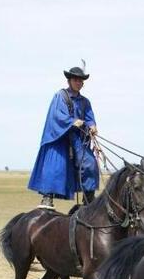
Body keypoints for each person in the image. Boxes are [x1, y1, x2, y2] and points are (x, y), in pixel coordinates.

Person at [27, 63, 100, 209]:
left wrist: (92, 126)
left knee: (90, 164)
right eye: (75, 80)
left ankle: (88, 198)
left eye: (81, 81)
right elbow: (56, 116)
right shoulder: (60, 96)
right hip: (60, 137)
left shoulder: (85, 101)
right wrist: (72, 122)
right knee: (55, 166)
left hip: (78, 139)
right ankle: (47, 197)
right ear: (69, 81)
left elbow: (89, 117)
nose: (78, 83)